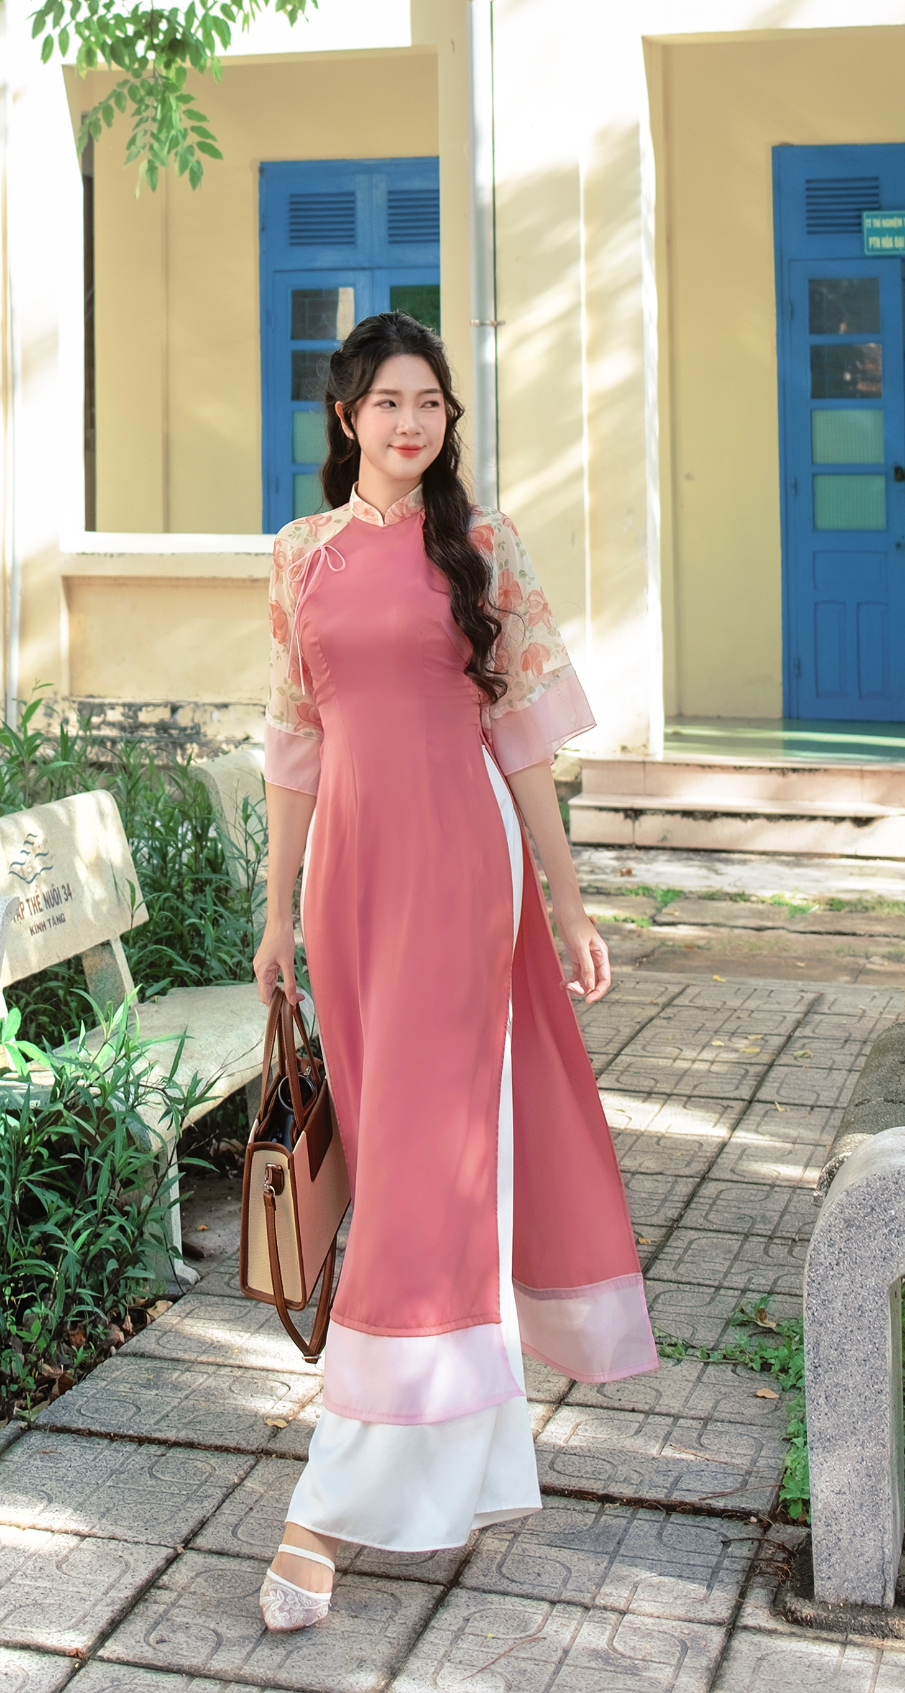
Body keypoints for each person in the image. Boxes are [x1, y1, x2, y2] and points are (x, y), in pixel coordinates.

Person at [252, 312, 656, 1633]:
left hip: (460, 876)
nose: (412, 423)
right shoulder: (300, 556)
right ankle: (463, 1458)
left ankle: (325, 1508)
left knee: (428, 1177)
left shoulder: (482, 546)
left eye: (430, 402)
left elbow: (524, 741)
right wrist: (275, 916)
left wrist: (566, 899)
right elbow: (296, 748)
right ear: (346, 417)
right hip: (348, 891)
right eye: (388, 402)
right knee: (401, 1175)